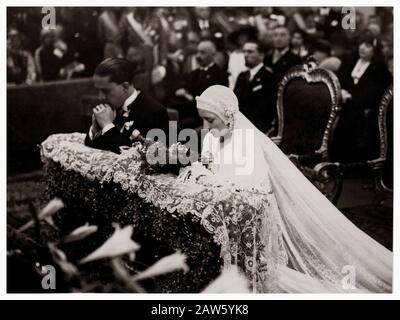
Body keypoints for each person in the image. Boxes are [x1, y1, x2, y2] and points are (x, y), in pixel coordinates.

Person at [177, 85, 392, 293]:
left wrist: (206, 178)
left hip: (250, 220)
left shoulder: (247, 142)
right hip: (224, 212)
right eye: (202, 120)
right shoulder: (212, 139)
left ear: (229, 116)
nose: (205, 128)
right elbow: (213, 169)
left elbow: (254, 189)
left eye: (210, 120)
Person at [85, 58, 169, 153]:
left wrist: (107, 126)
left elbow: (138, 157)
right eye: (98, 90)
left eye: (105, 91)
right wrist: (95, 129)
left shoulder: (154, 111)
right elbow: (91, 148)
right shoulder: (109, 107)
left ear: (125, 87)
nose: (100, 97)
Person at [234, 41, 277, 133]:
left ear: (261, 55)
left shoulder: (269, 77)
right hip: (239, 125)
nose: (245, 55)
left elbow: (268, 107)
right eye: (244, 51)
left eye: (250, 52)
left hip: (259, 127)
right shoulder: (242, 76)